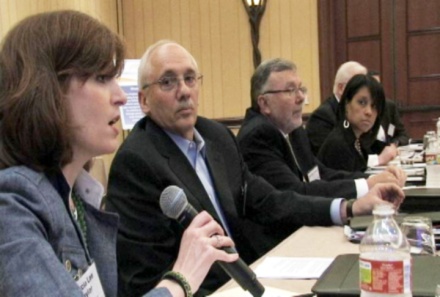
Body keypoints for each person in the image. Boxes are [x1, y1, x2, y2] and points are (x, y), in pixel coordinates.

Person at [105, 40, 405, 297]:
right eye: (168, 82)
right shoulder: (137, 162)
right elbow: (144, 281)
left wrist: (348, 207)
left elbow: (268, 200)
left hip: (254, 279)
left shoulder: (217, 136)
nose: (184, 91)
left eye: (190, 78)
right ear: (143, 100)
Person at [0, 11, 238, 297]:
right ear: (47, 90)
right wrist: (181, 279)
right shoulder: (13, 203)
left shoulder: (73, 198)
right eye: (102, 78)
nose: (122, 97)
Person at [237, 58, 406, 199]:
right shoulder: (258, 136)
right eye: (290, 90)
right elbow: (296, 192)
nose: (301, 97)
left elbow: (320, 173)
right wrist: (367, 185)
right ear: (264, 103)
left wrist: (372, 179)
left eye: (301, 89)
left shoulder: (294, 130)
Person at [317, 74, 388, 172]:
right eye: (362, 102)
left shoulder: (356, 140)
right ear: (346, 103)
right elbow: (347, 185)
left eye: (374, 106)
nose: (369, 112)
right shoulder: (338, 144)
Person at [306, 61, 368, 155]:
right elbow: (332, 158)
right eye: (358, 87)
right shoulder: (322, 117)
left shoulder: (356, 112)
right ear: (341, 88)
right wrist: (377, 160)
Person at [368, 70, 409, 149]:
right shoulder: (361, 109)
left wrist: (394, 144)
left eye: (378, 85)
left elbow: (403, 135)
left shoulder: (389, 106)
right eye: (372, 85)